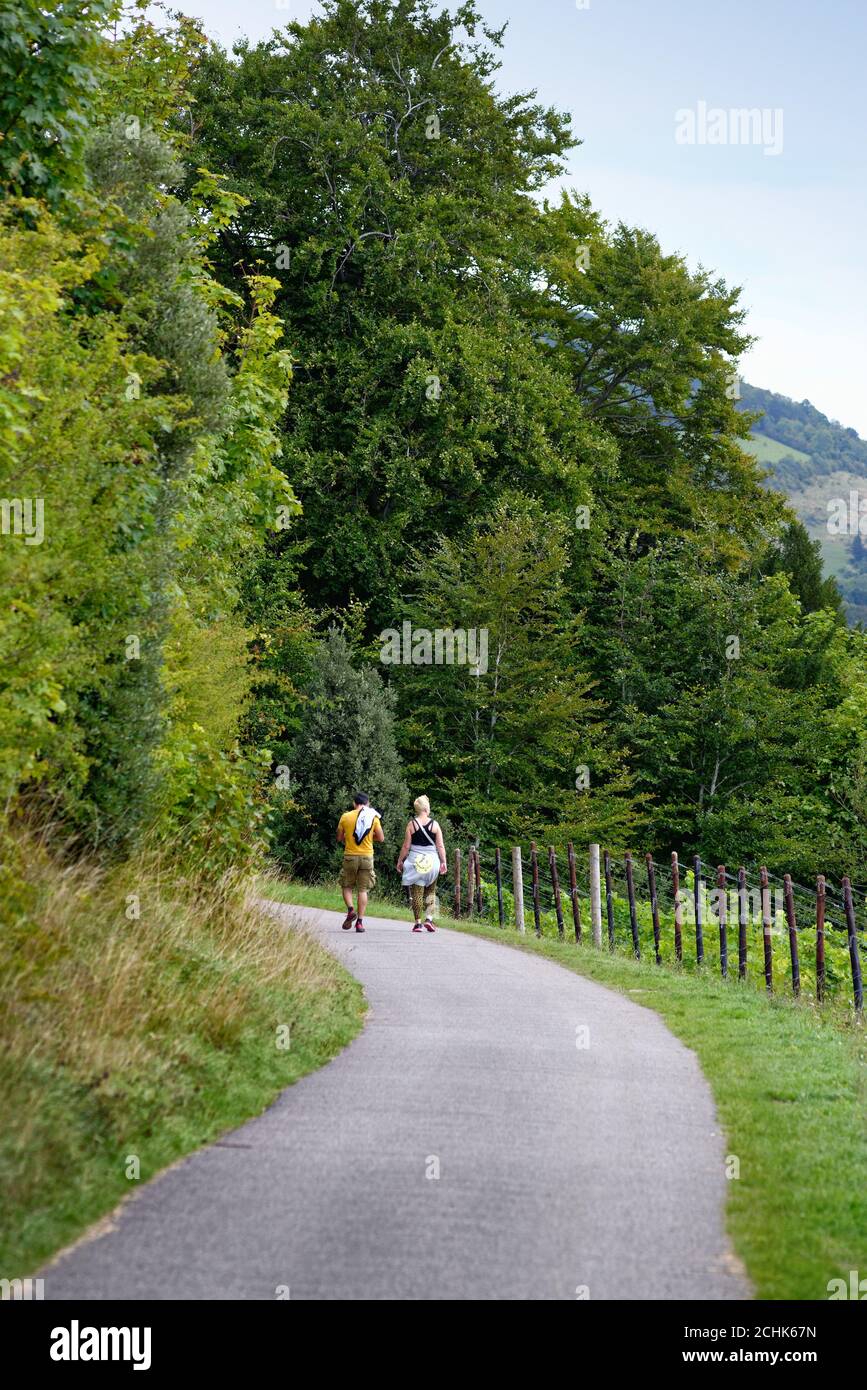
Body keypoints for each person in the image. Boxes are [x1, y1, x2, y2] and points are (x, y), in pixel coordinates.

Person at [396, 796, 447, 933]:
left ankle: (418, 923)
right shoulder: (435, 825)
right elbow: (440, 846)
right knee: (431, 891)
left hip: (416, 862)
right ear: (426, 808)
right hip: (432, 861)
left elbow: (406, 846)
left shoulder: (411, 825)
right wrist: (443, 862)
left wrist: (400, 861)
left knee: (417, 893)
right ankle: (429, 919)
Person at [336, 793, 384, 933]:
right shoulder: (373, 817)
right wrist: (369, 837)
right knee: (363, 890)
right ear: (367, 803)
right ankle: (360, 923)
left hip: (350, 856)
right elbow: (381, 838)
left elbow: (339, 837)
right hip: (367, 857)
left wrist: (348, 836)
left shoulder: (345, 817)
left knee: (346, 885)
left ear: (354, 803)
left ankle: (351, 910)